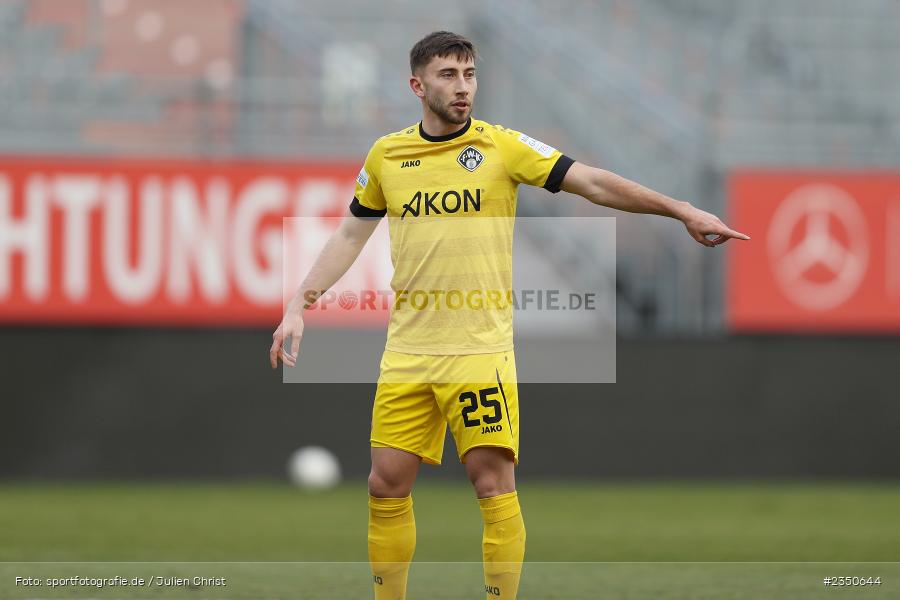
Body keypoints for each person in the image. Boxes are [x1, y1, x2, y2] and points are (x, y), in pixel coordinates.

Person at [270, 30, 749, 600]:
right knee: (385, 486)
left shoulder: (501, 147)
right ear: (417, 85)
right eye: (449, 75)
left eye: (470, 74)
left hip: (479, 352)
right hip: (407, 353)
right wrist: (299, 302)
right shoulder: (387, 156)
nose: (463, 87)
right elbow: (352, 233)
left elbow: (593, 183)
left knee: (493, 486)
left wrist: (681, 209)